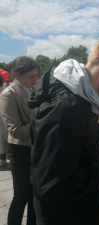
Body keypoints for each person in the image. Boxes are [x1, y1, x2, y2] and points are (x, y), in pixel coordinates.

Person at [27, 33, 99, 225]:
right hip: (66, 215)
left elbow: (71, 136)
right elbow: (52, 184)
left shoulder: (78, 95)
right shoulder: (65, 107)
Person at [0, 56, 40, 225]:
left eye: (37, 75)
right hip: (20, 150)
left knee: (35, 193)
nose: (36, 80)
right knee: (22, 193)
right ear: (17, 75)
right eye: (31, 76)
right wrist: (43, 122)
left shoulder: (36, 89)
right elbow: (15, 130)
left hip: (36, 147)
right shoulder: (8, 94)